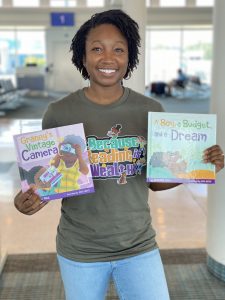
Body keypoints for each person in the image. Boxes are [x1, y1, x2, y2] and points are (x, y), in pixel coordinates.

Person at [14, 9, 224, 300]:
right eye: (97, 49)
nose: (108, 58)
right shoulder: (59, 113)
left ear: (130, 57)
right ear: (83, 57)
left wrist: (201, 166)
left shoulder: (150, 111)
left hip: (138, 247)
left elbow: (155, 180)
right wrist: (27, 200)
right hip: (80, 249)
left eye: (119, 50)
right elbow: (50, 180)